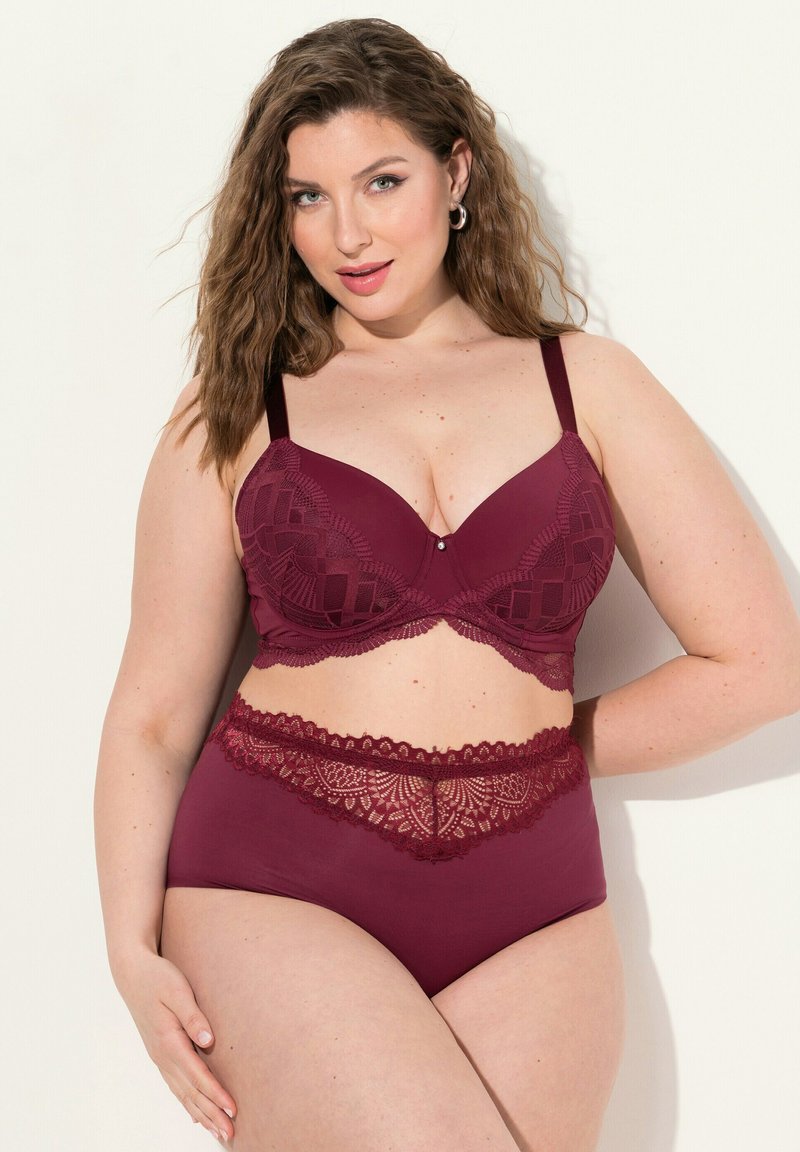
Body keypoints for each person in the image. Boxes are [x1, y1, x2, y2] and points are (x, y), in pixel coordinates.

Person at [93, 17, 800, 1152]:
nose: (348, 233)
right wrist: (129, 950)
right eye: (308, 197)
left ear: (455, 171)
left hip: (533, 905)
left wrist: (537, 745)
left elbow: (763, 664)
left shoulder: (588, 385)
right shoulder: (235, 407)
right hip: (276, 880)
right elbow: (153, 714)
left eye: (383, 181)